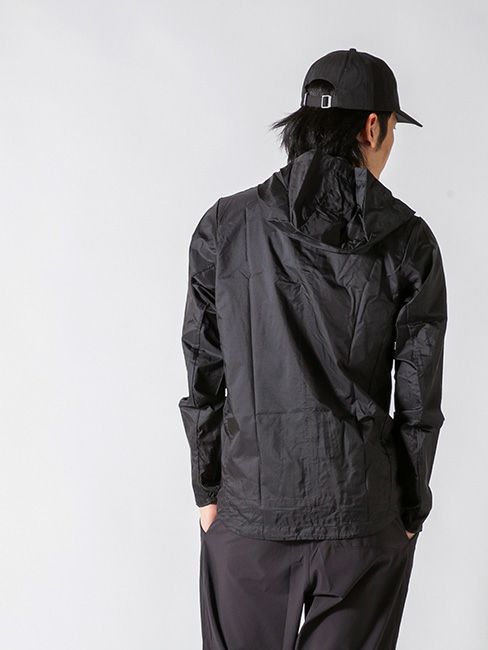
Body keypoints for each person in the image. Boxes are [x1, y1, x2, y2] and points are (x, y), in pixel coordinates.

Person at [178, 47, 448, 650]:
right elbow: (418, 395)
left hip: (249, 516)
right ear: (372, 127)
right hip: (362, 522)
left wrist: (208, 491)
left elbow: (203, 369)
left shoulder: (224, 227)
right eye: (392, 131)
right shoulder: (410, 243)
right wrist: (408, 510)